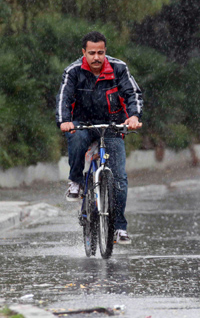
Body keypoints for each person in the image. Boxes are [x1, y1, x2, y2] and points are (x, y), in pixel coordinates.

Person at [55, 31, 143, 245]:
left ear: (106, 52)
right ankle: (75, 181)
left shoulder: (119, 68)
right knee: (76, 138)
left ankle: (120, 228)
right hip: (82, 124)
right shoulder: (73, 71)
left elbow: (133, 94)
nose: (96, 57)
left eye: (101, 53)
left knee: (120, 177)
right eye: (92, 53)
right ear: (83, 52)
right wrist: (64, 121)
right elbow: (63, 98)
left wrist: (133, 116)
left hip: (112, 125)